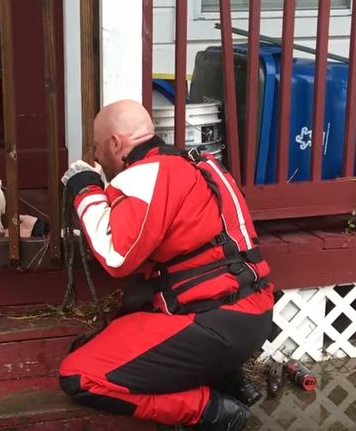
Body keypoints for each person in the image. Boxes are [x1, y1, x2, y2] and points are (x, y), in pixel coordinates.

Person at [26, 100, 274, 430]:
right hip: (250, 313)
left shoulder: (144, 175)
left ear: (115, 143)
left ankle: (209, 410)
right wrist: (44, 230)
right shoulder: (196, 163)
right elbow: (138, 234)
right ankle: (227, 377)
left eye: (98, 148)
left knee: (79, 375)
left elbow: (116, 256)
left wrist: (85, 187)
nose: (97, 157)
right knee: (103, 337)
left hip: (210, 323)